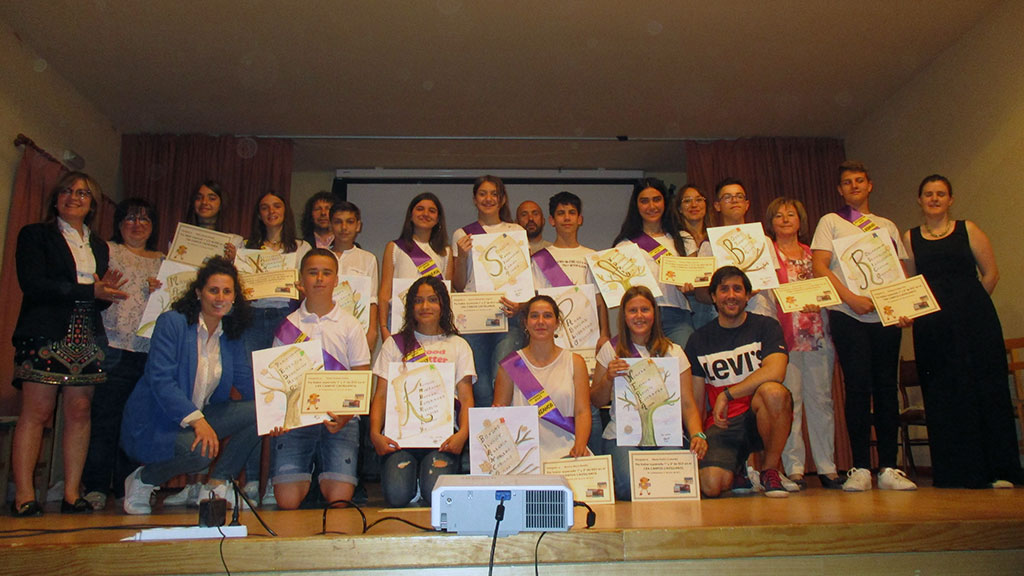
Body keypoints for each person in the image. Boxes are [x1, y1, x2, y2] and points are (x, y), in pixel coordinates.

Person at [10, 172, 127, 517]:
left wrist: (105, 295)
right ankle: (25, 496)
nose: (74, 197)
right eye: (66, 191)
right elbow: (33, 284)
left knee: (79, 412)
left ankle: (72, 493)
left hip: (87, 333)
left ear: (92, 204)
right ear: (56, 198)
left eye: (82, 193)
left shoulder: (99, 246)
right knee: (38, 412)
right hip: (46, 330)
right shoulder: (35, 235)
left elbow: (96, 298)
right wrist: (90, 291)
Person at [902, 175, 1023, 488]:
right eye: (928, 194)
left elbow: (991, 274)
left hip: (975, 325)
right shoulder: (910, 237)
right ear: (920, 200)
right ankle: (956, 472)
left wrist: (967, 307)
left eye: (941, 194)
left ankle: (1000, 470)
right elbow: (911, 284)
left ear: (950, 199)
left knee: (985, 391)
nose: (934, 199)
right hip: (932, 328)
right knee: (943, 394)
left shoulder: (968, 230)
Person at [120, 257, 260, 514]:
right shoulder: (172, 323)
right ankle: (143, 479)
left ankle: (217, 483)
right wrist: (197, 421)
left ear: (234, 297)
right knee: (201, 453)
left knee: (259, 412)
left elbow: (244, 379)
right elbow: (160, 381)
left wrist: (276, 408)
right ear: (198, 293)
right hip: (157, 419)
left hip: (200, 416)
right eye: (213, 290)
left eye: (227, 291)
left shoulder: (230, 334)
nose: (220, 298)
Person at [811, 161, 917, 492]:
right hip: (847, 314)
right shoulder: (831, 221)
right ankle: (858, 467)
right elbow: (819, 266)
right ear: (840, 190)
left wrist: (903, 307)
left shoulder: (887, 225)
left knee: (886, 388)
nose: (854, 185)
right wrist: (850, 299)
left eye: (859, 180)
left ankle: (888, 467)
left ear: (870, 185)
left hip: (885, 317)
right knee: (857, 388)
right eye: (847, 182)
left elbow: (898, 270)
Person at [268, 249, 371, 509]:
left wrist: (346, 415)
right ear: (301, 280)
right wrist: (277, 418)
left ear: (336, 279)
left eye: (326, 273)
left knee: (340, 498)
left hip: (340, 419)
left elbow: (362, 376)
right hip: (297, 423)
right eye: (312, 273)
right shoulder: (287, 326)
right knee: (287, 502)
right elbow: (275, 381)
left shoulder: (350, 324)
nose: (319, 279)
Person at [82, 198, 165, 510]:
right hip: (111, 345)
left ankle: (128, 485)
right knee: (105, 418)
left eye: (144, 219)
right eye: (130, 218)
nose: (137, 224)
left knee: (138, 422)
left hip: (147, 350)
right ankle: (96, 486)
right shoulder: (106, 250)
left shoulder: (162, 260)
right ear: (119, 223)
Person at [591, 286, 707, 500]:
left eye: (645, 309)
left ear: (654, 313)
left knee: (677, 485)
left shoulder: (674, 352)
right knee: (628, 487)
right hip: (622, 436)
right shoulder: (611, 350)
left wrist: (697, 434)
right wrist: (608, 378)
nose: (639, 316)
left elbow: (688, 404)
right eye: (632, 310)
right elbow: (597, 401)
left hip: (666, 436)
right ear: (624, 316)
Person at [685, 267, 792, 498]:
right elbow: (695, 400)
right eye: (724, 289)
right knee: (710, 485)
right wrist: (699, 436)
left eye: (737, 289)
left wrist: (728, 394)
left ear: (747, 295)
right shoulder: (698, 340)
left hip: (757, 416)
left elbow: (776, 370)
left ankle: (769, 470)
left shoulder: (766, 327)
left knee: (774, 392)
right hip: (723, 424)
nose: (731, 295)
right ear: (713, 297)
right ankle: (738, 466)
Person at [370, 276, 475, 507]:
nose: (425, 307)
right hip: (399, 440)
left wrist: (462, 435)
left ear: (443, 305)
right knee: (396, 496)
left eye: (432, 300)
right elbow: (380, 395)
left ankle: (420, 483)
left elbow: (466, 398)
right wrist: (375, 434)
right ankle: (410, 483)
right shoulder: (394, 345)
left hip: (444, 440)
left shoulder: (458, 346)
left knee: (436, 497)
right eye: (418, 301)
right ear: (410, 307)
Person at [765, 197, 840, 490]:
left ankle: (828, 467)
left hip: (819, 336)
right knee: (790, 403)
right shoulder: (767, 257)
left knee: (822, 402)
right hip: (786, 339)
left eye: (791, 214)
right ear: (771, 223)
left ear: (801, 220)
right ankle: (795, 468)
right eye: (779, 215)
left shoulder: (815, 255)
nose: (785, 219)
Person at [531, 191, 610, 455]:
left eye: (571, 213)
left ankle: (594, 462)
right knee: (556, 400)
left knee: (587, 402)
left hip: (587, 341)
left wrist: (605, 335)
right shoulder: (540, 258)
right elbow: (536, 302)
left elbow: (600, 301)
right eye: (561, 213)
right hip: (551, 344)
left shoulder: (593, 256)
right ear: (551, 220)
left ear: (580, 219)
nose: (567, 218)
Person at [452, 175, 526, 408]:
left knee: (502, 377)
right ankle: (483, 439)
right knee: (480, 384)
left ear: (502, 199)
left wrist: (521, 306)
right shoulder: (461, 234)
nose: (488, 199)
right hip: (474, 318)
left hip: (508, 316)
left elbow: (524, 280)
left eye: (494, 194)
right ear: (475, 199)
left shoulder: (515, 231)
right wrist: (462, 257)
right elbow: (458, 285)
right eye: (483, 193)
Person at [493, 295, 592, 463]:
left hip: (567, 450)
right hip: (523, 457)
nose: (540, 321)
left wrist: (580, 445)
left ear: (557, 322)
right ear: (525, 322)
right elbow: (499, 414)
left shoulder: (575, 362)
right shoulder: (509, 366)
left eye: (547, 316)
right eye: (534, 316)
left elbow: (582, 412)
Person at [612, 177, 696, 348]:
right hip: (639, 317)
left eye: (656, 199)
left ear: (665, 202)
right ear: (636, 205)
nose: (651, 206)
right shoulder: (624, 245)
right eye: (644, 201)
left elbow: (697, 279)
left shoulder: (684, 239)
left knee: (687, 364)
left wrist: (692, 285)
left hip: (677, 317)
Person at [696, 178, 777, 319]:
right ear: (717, 206)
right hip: (726, 321)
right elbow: (701, 294)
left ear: (747, 204)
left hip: (764, 314)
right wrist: (731, 297)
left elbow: (777, 284)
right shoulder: (708, 245)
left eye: (739, 196)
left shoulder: (765, 240)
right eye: (727, 197)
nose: (734, 200)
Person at [378, 192, 453, 343]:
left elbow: (446, 295)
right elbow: (385, 292)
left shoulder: (445, 252)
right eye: (420, 209)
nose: (425, 214)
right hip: (399, 323)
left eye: (431, 211)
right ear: (410, 215)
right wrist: (384, 327)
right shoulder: (394, 248)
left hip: (433, 328)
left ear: (438, 219)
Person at [329, 201, 379, 352]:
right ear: (331, 226)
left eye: (350, 222)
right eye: (338, 222)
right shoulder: (321, 257)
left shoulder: (368, 259)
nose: (344, 228)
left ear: (358, 226)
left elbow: (372, 299)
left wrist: (372, 331)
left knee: (355, 375)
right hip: (325, 328)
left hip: (357, 330)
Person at [674, 184, 717, 330]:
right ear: (680, 208)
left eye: (699, 199)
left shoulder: (718, 237)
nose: (694, 205)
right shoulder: (673, 239)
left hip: (718, 302)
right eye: (687, 201)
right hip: (688, 304)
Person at [182, 180, 238, 261]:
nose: (204, 202)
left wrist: (233, 260)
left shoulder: (235, 241)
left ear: (221, 204)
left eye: (211, 199)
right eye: (199, 198)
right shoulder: (180, 238)